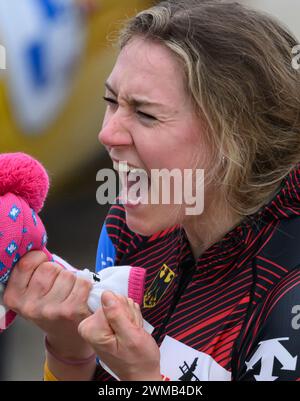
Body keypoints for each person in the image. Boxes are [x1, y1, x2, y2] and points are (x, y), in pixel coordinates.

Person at [3, 0, 300, 381]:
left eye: (145, 114)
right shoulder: (127, 231)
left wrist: (144, 379)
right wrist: (69, 351)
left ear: (236, 137)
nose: (107, 133)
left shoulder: (286, 289)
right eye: (111, 102)